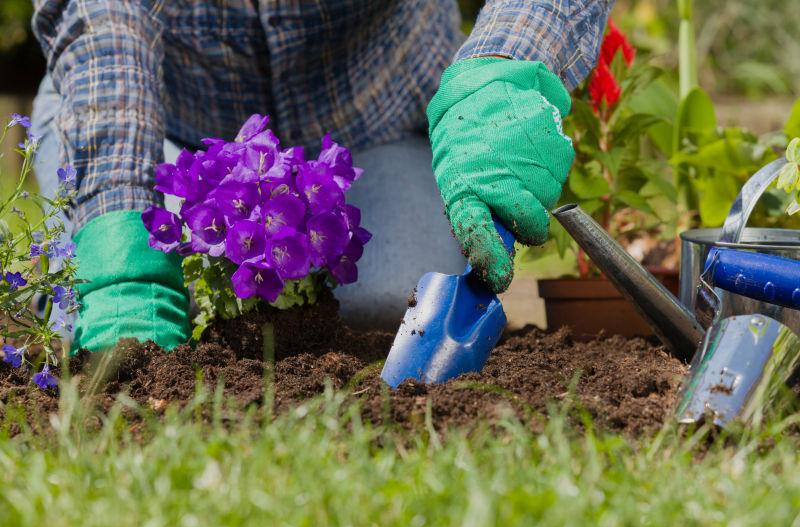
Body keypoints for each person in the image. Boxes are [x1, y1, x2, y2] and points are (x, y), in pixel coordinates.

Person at [30, 0, 613, 352]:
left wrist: (505, 63)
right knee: (97, 318)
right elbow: (103, 18)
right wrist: (117, 230)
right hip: (172, 126)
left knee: (393, 308)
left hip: (375, 113)